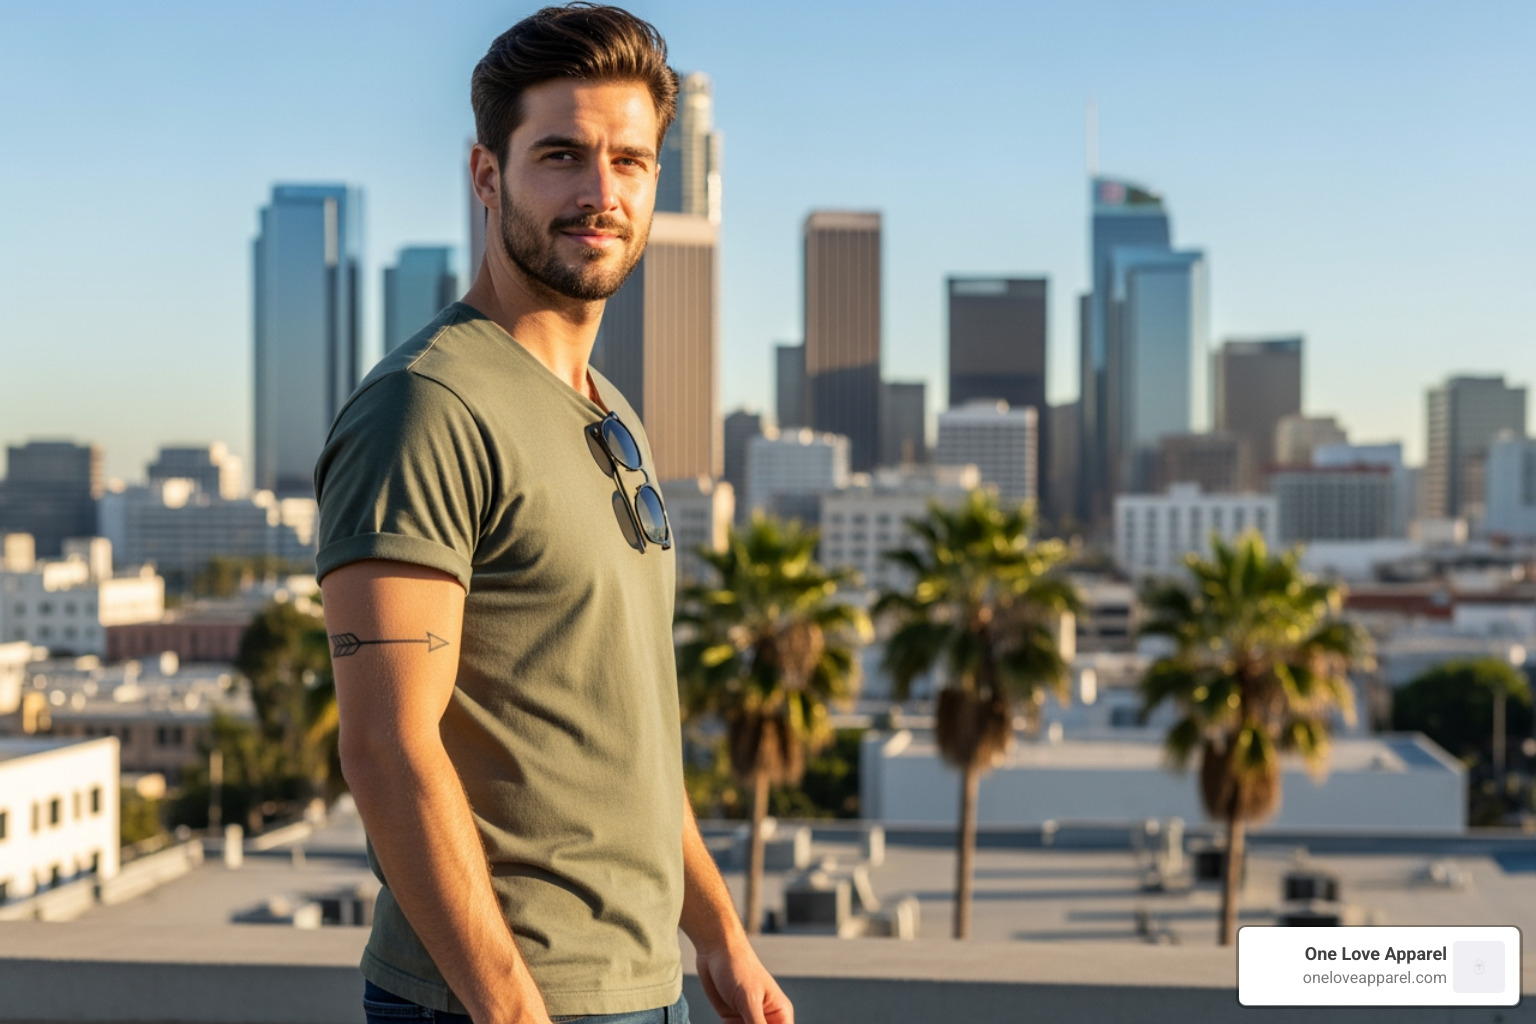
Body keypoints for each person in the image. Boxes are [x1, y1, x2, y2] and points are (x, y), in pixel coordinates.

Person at [313, 6, 793, 1023]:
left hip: (640, 985)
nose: (600, 192)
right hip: (502, 1000)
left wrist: (719, 933)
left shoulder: (612, 411)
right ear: (487, 176)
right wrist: (511, 1007)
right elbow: (386, 746)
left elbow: (620, 731)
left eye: (631, 160)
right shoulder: (427, 406)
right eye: (562, 155)